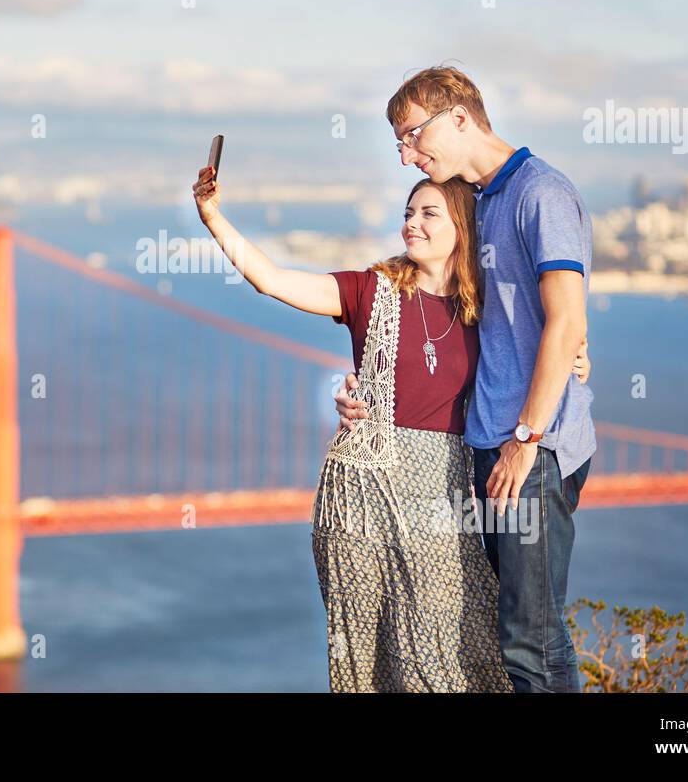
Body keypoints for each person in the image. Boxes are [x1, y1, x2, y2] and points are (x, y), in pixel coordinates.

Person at [191, 158, 590, 691]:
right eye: (408, 212)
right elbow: (272, 280)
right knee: (371, 654)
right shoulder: (367, 291)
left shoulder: (486, 310)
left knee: (459, 646)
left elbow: (553, 338)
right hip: (361, 491)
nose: (412, 222)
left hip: (444, 490)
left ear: (461, 230)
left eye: (429, 213)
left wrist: (578, 360)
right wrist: (213, 216)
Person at [336, 65, 596, 693]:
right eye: (399, 144)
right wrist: (361, 389)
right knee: (524, 630)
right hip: (489, 443)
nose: (406, 156)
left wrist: (525, 438)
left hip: (531, 448)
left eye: (412, 136)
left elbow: (565, 323)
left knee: (526, 644)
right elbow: (468, 317)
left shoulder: (541, 193)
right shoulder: (478, 202)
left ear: (458, 117)